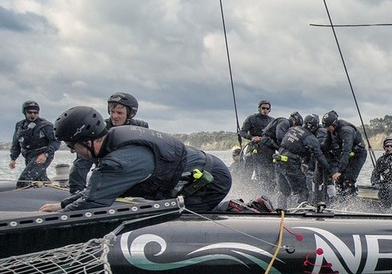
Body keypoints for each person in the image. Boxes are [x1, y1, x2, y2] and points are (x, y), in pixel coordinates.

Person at [39, 106, 231, 213]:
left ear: (88, 142)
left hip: (210, 181)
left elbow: (93, 202)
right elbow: (94, 190)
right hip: (204, 170)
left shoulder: (119, 162)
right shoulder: (113, 138)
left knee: (177, 215)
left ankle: (228, 212)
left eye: (73, 147)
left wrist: (60, 215)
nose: (74, 152)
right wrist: (63, 204)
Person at [69, 91, 150, 194]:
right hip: (105, 173)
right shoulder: (99, 129)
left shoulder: (141, 128)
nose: (114, 116)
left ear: (130, 114)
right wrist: (76, 191)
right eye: (112, 112)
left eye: (119, 113)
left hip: (132, 176)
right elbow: (82, 162)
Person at [273, 114, 337, 209]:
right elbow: (320, 156)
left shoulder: (292, 129)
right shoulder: (310, 138)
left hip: (278, 161)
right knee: (302, 191)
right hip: (290, 164)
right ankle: (299, 213)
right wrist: (330, 171)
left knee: (284, 191)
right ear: (315, 126)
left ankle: (280, 211)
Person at [9, 100, 60, 187]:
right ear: (24, 112)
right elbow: (16, 143)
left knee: (25, 179)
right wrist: (13, 158)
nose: (33, 115)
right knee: (39, 178)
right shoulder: (19, 126)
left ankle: (21, 194)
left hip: (42, 154)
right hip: (28, 155)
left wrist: (46, 154)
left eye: (35, 113)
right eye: (30, 112)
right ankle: (48, 190)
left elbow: (55, 141)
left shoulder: (45, 125)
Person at [320, 110, 367, 198]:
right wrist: (315, 148)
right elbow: (326, 145)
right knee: (339, 180)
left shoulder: (346, 131)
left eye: (328, 127)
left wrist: (339, 171)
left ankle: (351, 203)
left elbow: (346, 151)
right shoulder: (331, 130)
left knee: (348, 180)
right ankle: (341, 201)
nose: (327, 129)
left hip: (358, 155)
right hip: (346, 156)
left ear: (333, 124)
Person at [239, 100, 275, 188]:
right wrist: (251, 138)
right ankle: (244, 188)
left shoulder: (273, 121)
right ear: (259, 108)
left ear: (270, 110)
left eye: (267, 108)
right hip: (253, 148)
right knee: (247, 171)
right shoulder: (251, 118)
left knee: (268, 174)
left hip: (267, 150)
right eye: (263, 108)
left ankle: (267, 190)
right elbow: (242, 132)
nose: (265, 110)